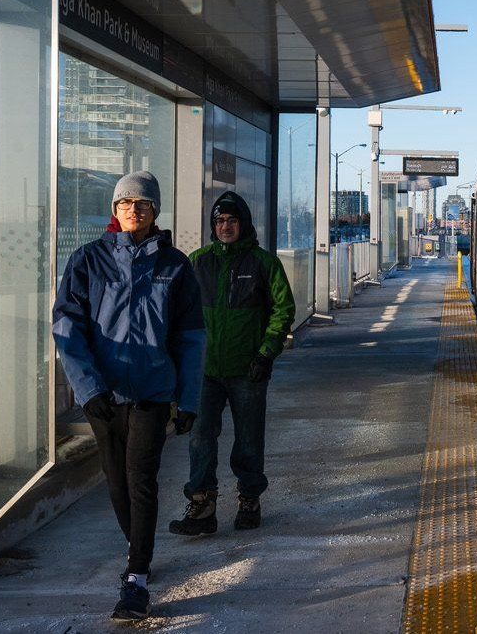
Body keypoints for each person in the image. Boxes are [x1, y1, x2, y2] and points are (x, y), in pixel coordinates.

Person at [52, 171, 205, 621]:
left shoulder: (175, 266)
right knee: (117, 485)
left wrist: (189, 399)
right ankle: (137, 549)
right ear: (114, 211)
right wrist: (88, 387)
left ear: (155, 211)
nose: (133, 210)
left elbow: (192, 337)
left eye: (142, 204)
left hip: (153, 394)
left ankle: (136, 577)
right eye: (125, 204)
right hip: (104, 395)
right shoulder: (88, 260)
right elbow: (67, 327)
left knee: (141, 479)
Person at [170, 191, 295, 537]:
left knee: (249, 440)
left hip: (248, 369)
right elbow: (178, 314)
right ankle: (202, 504)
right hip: (204, 372)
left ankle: (249, 499)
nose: (225, 226)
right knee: (200, 438)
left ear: (243, 224)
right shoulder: (197, 262)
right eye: (220, 221)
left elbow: (283, 310)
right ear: (213, 226)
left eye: (232, 220)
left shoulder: (263, 263)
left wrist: (267, 352)